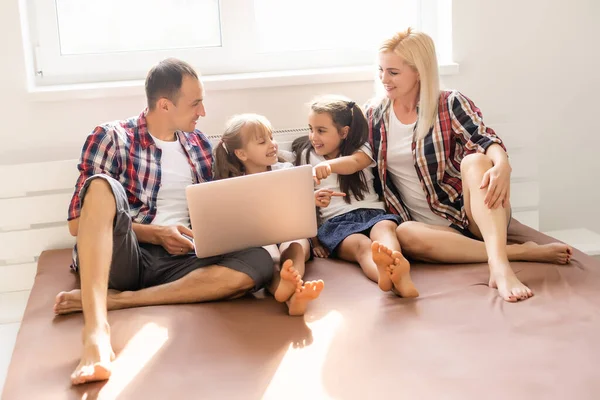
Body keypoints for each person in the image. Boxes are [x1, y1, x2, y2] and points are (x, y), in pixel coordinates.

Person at [54, 59, 273, 385]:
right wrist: (156, 234)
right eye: (195, 103)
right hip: (128, 255)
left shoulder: (198, 145)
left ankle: (121, 300)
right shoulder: (112, 138)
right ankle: (96, 332)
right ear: (165, 105)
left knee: (259, 259)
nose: (203, 112)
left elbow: (212, 206)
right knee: (101, 186)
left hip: (182, 257)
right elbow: (77, 223)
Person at [366, 28, 572, 303]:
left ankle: (499, 266)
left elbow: (484, 139)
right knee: (403, 232)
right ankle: (522, 251)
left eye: (393, 72)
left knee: (477, 160)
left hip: (473, 215)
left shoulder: (449, 103)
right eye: (381, 70)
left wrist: (503, 165)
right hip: (430, 231)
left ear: (419, 71)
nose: (384, 79)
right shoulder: (375, 115)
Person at [292, 95, 419, 298]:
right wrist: (314, 241)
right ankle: (388, 278)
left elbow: (353, 164)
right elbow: (300, 199)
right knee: (362, 246)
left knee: (385, 229)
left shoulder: (362, 149)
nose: (313, 136)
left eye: (321, 131)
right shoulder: (305, 156)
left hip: (373, 213)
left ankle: (398, 271)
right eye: (311, 129)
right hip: (335, 224)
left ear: (344, 132)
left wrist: (328, 165)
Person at [213, 113, 325, 316]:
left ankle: (292, 283)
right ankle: (290, 297)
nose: (272, 144)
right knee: (269, 259)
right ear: (242, 154)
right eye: (262, 141)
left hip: (289, 232)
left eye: (271, 138)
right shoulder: (233, 184)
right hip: (259, 239)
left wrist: (312, 200)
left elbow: (301, 211)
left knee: (297, 247)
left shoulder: (287, 171)